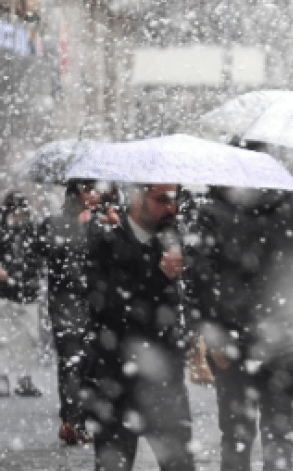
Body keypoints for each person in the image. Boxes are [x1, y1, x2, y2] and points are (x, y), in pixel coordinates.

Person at [189, 184, 293, 471]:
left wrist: (212, 335)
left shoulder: (214, 211)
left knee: (235, 438)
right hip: (290, 338)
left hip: (234, 340)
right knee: (279, 438)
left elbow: (201, 279)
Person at [83, 183, 195, 471]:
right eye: (162, 200)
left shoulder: (173, 239)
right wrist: (159, 275)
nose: (172, 208)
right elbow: (109, 308)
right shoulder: (104, 240)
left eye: (175, 200)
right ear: (137, 197)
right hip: (115, 381)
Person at [39, 179, 103, 444]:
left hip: (94, 304)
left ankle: (81, 420)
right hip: (66, 303)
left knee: (90, 363)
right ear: (78, 194)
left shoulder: (102, 222)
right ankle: (72, 420)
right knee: (71, 362)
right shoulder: (53, 224)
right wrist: (80, 229)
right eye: (91, 190)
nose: (97, 195)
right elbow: (48, 256)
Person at [0, 191, 46, 399]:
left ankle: (24, 378)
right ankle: (3, 378)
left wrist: (26, 274)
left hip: (26, 293)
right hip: (2, 293)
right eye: (14, 211)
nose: (17, 215)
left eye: (20, 211)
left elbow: (39, 260)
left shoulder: (33, 232)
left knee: (29, 339)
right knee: (2, 338)